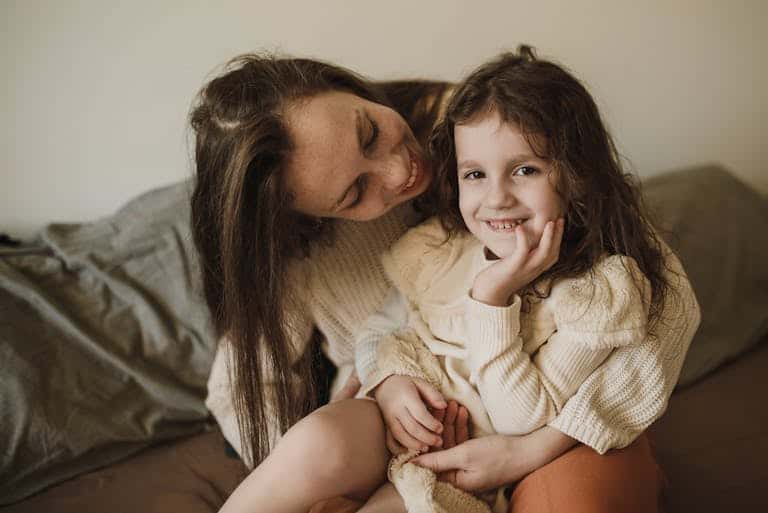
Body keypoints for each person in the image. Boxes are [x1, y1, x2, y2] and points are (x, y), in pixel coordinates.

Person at [190, 49, 700, 513]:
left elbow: (661, 298)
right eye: (353, 193)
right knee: (328, 447)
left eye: (369, 133)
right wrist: (382, 391)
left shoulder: (485, 117)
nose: (398, 172)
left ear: (352, 87)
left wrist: (530, 448)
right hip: (414, 432)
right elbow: (247, 386)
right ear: (302, 216)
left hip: (564, 421)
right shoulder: (305, 249)